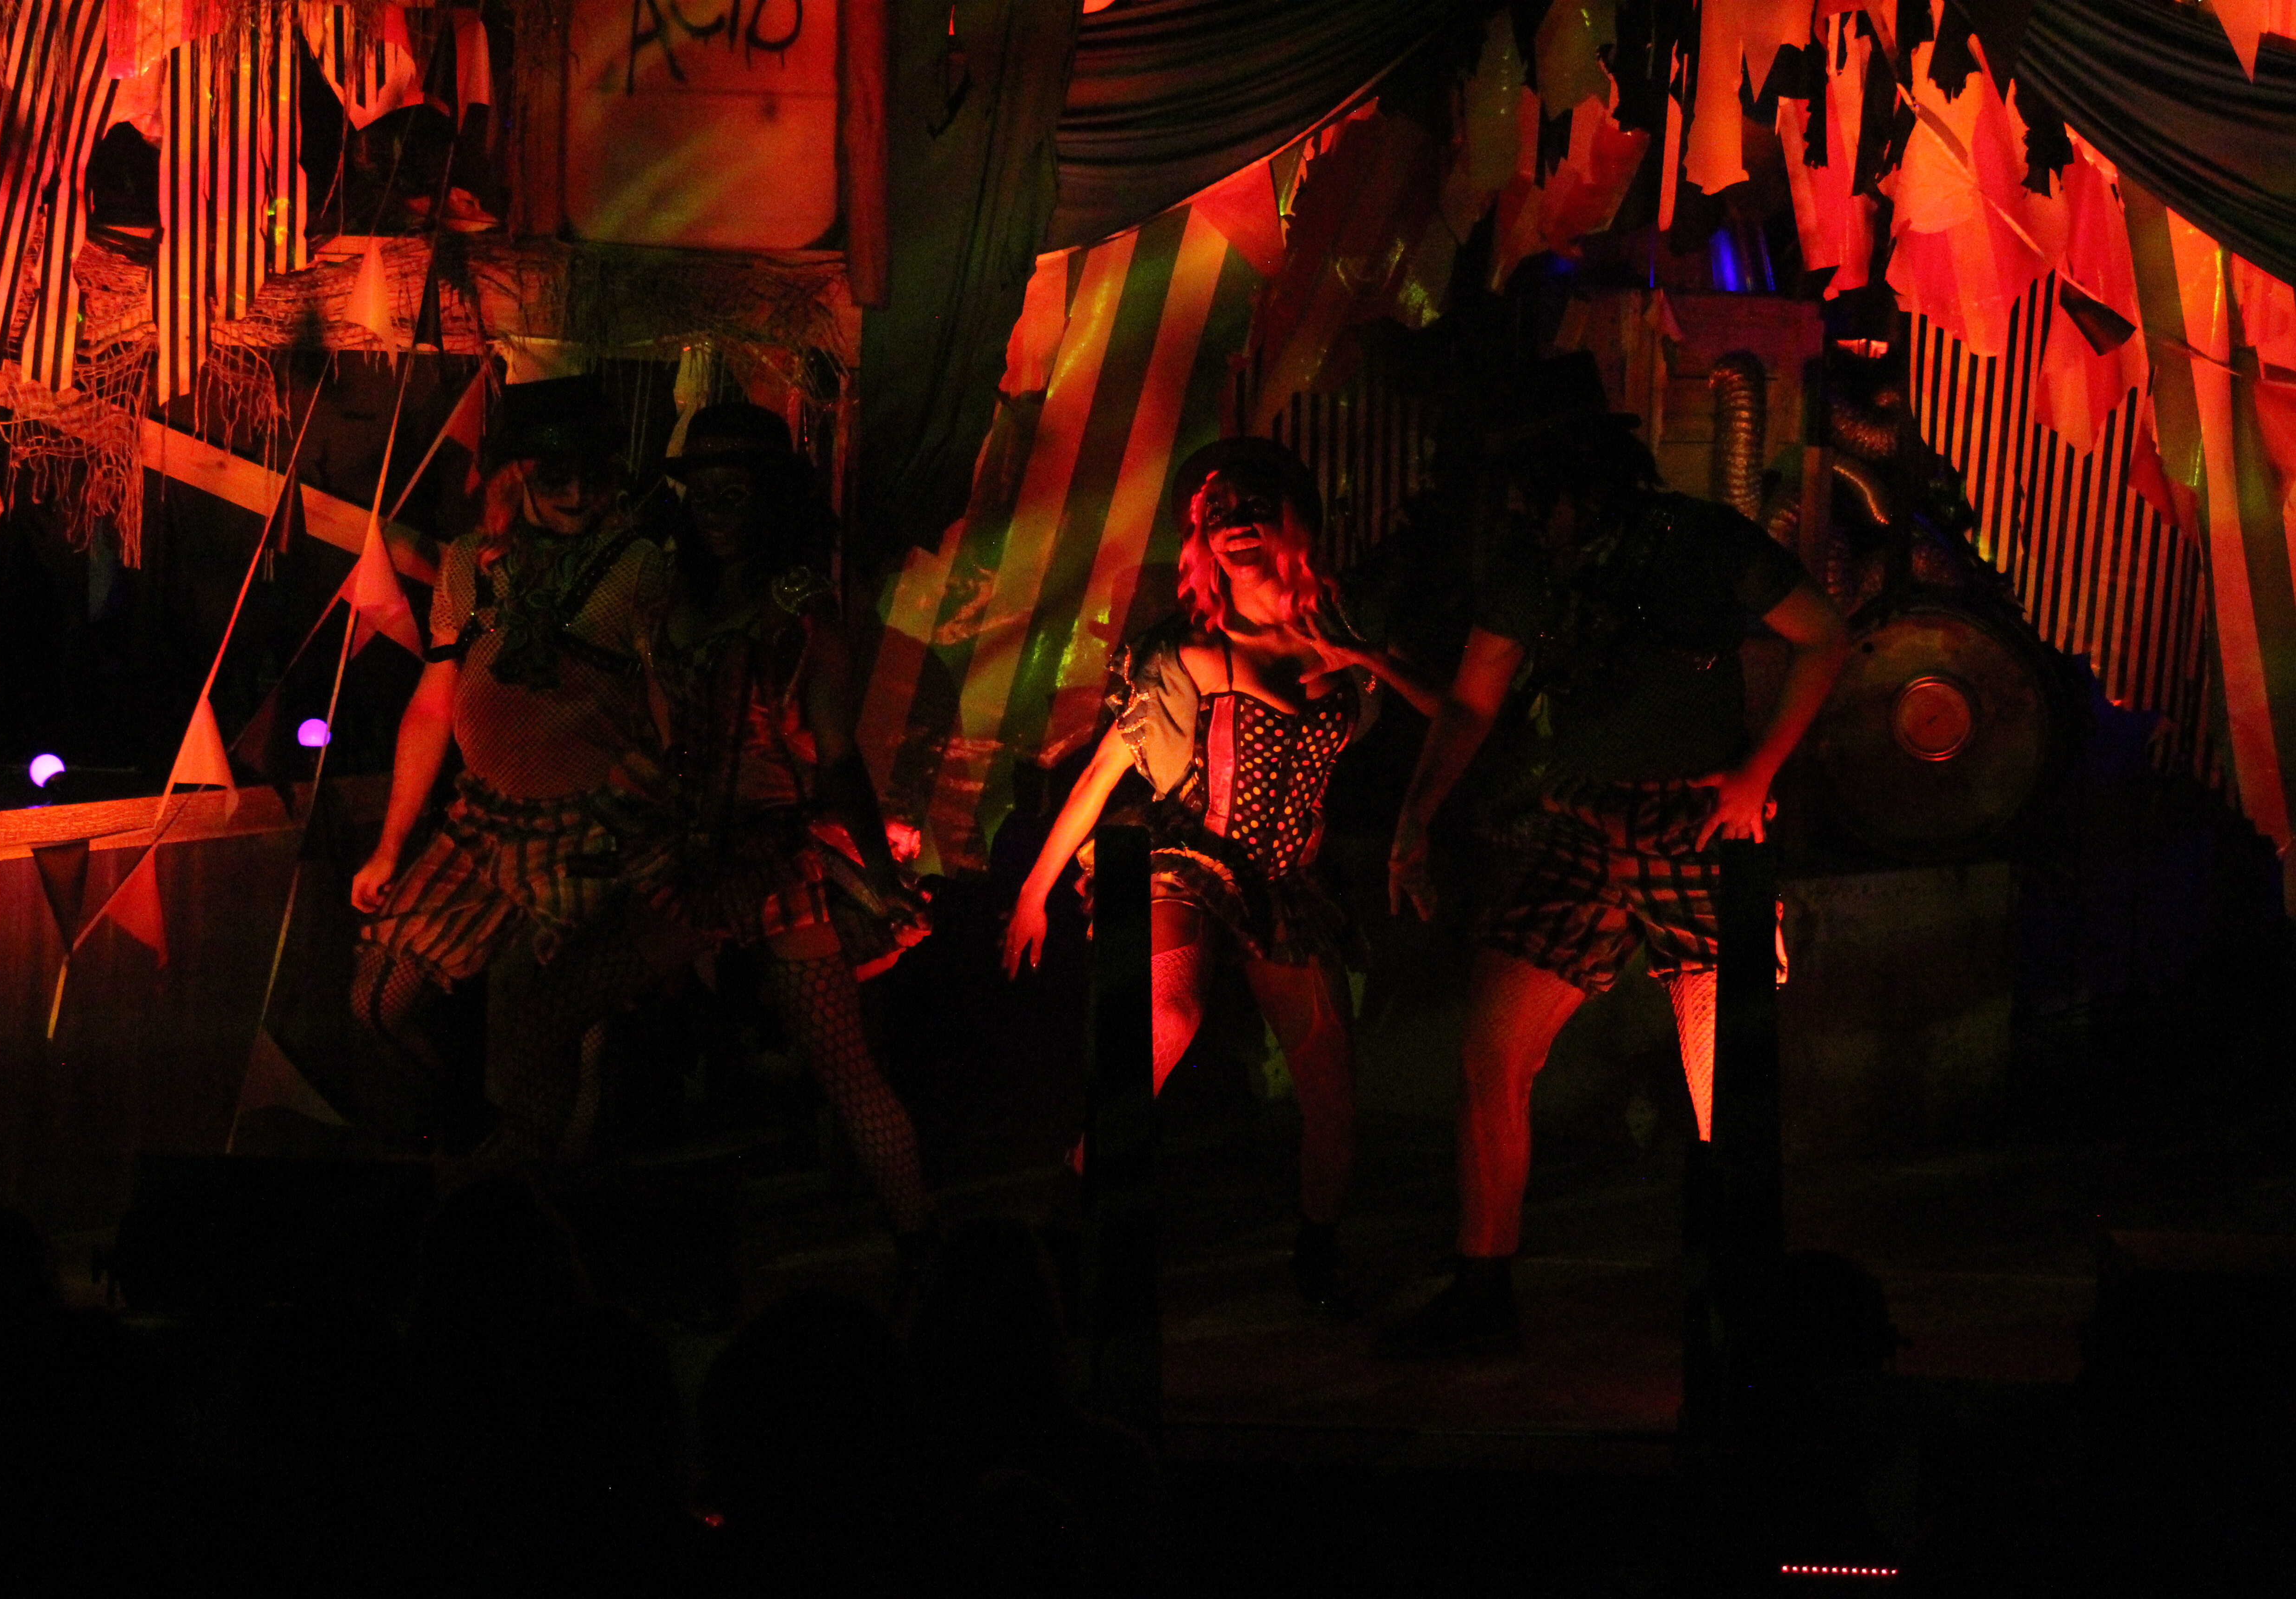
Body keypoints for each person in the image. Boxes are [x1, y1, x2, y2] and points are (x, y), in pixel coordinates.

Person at [1376, 353, 1851, 1357]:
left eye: (1531, 489)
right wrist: (1414, 820)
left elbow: (1823, 636)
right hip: (1586, 825)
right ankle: (1483, 1285)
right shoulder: (1533, 567)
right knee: (1492, 1047)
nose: (1519, 509)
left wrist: (1757, 772)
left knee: (1725, 1084)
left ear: (1581, 479)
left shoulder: (1697, 539)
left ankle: (1735, 1292)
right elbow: (1471, 702)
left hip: (1696, 825)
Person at [1002, 438, 1443, 1313]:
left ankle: (1316, 1255)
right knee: (1168, 1016)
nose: (1236, 525)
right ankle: (1071, 1214)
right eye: (1217, 516)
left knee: (1333, 1090)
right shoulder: (1190, 652)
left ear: (1293, 522)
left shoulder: (1344, 634)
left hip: (1287, 882)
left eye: (1252, 508)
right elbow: (1103, 774)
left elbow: (1455, 714)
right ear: (1200, 541)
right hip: (1193, 860)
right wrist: (1032, 892)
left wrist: (1364, 659)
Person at [493, 404, 934, 1248]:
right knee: (548, 1013)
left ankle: (925, 1249)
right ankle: (530, 1218)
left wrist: (882, 879)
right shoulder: (672, 589)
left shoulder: (801, 609)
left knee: (849, 1077)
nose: (717, 513)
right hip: (688, 857)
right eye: (704, 496)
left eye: (735, 495)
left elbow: (837, 758)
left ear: (770, 499)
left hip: (770, 863)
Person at [349, 374, 667, 1153]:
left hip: (588, 828)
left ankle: (552, 1182)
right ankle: (466, 1146)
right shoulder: (471, 563)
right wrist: (391, 844)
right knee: (378, 1002)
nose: (577, 494)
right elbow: (435, 700)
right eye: (555, 476)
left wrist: (659, 820)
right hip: (484, 821)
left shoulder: (636, 567)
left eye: (592, 475)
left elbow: (672, 708)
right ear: (515, 477)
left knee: (545, 1024)